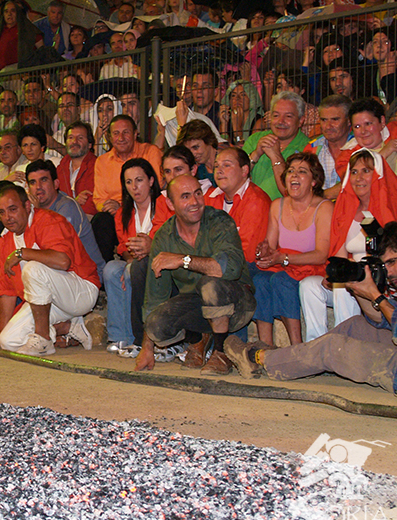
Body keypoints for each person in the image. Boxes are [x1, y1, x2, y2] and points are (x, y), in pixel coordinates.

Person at [225, 220, 397, 398]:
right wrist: (359, 288)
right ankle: (290, 357)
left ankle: (259, 359)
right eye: (385, 264)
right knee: (355, 325)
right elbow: (378, 321)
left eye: (392, 262)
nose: (388, 271)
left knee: (331, 347)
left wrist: (376, 295)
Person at [136, 175, 256, 375]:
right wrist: (146, 348)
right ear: (170, 204)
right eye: (185, 196)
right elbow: (155, 297)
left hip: (237, 303)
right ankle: (198, 338)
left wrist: (183, 259)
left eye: (197, 193)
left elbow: (228, 269)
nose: (194, 202)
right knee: (156, 325)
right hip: (198, 305)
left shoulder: (219, 221)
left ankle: (221, 352)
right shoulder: (164, 236)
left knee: (210, 285)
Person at [299, 149, 397, 341]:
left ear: (377, 175)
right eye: (354, 172)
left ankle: (345, 342)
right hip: (354, 272)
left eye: (366, 171)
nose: (358, 178)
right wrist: (335, 273)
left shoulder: (390, 208)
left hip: (380, 279)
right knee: (309, 286)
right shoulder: (345, 209)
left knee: (345, 285)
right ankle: (315, 343)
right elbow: (339, 252)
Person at [0, 182, 100, 356]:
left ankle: (43, 339)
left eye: (12, 209)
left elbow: (63, 261)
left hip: (80, 291)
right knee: (9, 341)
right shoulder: (4, 242)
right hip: (46, 303)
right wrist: (2, 332)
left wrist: (22, 253)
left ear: (27, 205)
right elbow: (7, 292)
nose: (7, 217)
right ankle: (68, 327)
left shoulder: (48, 220)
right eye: (1, 212)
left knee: (33, 269)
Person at [250, 153, 334, 346]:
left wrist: (283, 258)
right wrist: (263, 251)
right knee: (259, 279)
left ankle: (297, 346)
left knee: (281, 280)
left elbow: (321, 255)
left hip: (312, 266)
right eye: (290, 171)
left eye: (302, 172)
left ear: (314, 181)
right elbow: (270, 246)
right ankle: (266, 346)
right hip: (284, 264)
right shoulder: (277, 205)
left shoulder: (324, 207)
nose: (294, 176)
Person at [102, 158, 174, 358]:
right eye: (129, 182)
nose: (134, 187)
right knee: (111, 269)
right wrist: (130, 261)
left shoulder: (164, 204)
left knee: (132, 270)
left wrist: (148, 251)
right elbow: (125, 249)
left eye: (139, 180)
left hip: (161, 260)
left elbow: (171, 241)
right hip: (134, 262)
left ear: (151, 181)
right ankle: (119, 336)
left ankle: (140, 336)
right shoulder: (122, 214)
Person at [91, 115, 163, 262]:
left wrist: (123, 206)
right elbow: (99, 199)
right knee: (101, 221)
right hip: (117, 216)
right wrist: (116, 209)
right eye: (116, 133)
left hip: (147, 208)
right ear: (109, 137)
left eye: (126, 132)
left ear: (136, 133)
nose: (121, 137)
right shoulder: (102, 161)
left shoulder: (151, 152)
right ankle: (103, 272)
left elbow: (157, 186)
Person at [204, 146, 272, 264]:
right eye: (216, 166)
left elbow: (247, 254)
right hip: (216, 263)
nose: (219, 170)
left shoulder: (256, 201)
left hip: (244, 268)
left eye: (226, 165)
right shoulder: (210, 199)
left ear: (244, 171)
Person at [241, 91, 311, 200]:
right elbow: (234, 178)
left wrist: (276, 157)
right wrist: (256, 154)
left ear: (301, 120)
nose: (280, 121)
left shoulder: (308, 148)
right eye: (276, 115)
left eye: (288, 116)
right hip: (250, 209)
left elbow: (291, 192)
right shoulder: (255, 139)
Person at [304, 94, 353, 198]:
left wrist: (323, 196)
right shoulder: (311, 148)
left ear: (349, 120)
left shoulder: (360, 146)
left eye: (335, 119)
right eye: (324, 120)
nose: (328, 126)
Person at [56, 120, 97, 217]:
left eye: (80, 138)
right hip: (63, 217)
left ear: (90, 144)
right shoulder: (61, 168)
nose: (74, 142)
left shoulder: (97, 166)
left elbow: (92, 205)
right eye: (70, 138)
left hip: (88, 218)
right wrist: (75, 202)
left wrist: (68, 204)